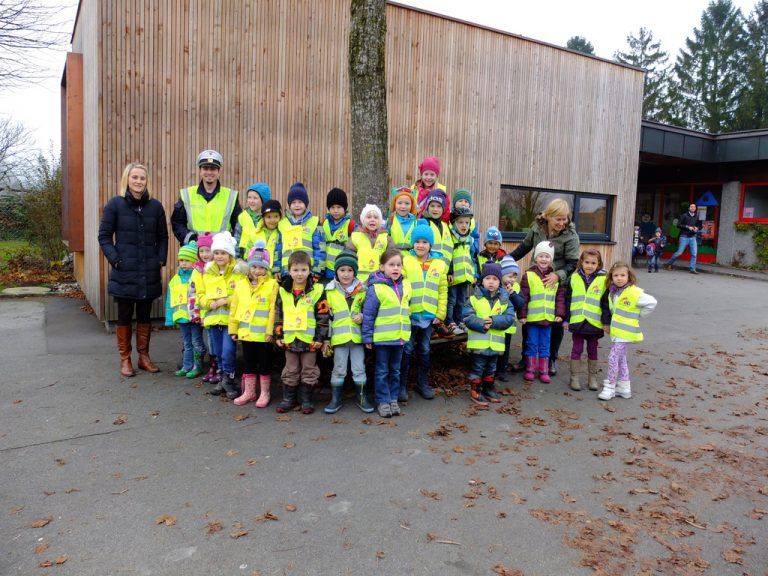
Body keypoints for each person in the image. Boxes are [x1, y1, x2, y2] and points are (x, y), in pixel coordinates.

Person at [98, 162, 168, 377]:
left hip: (148, 270)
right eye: (134, 177)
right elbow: (104, 236)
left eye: (142, 178)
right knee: (125, 315)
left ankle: (144, 357)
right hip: (125, 271)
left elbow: (162, 237)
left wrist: (160, 260)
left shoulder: (155, 207)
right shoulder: (115, 205)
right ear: (127, 179)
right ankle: (125, 359)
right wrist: (116, 260)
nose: (138, 182)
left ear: (147, 181)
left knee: (145, 315)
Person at [509, 199, 580, 376]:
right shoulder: (537, 228)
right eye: (558, 219)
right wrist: (505, 260)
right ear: (548, 216)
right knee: (530, 321)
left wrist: (557, 275)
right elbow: (523, 248)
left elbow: (573, 263)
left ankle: (551, 360)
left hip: (557, 285)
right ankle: (527, 359)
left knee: (554, 324)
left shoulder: (570, 236)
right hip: (535, 281)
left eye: (565, 219)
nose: (562, 223)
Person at [274, 251, 329, 414]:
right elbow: (278, 313)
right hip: (290, 338)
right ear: (289, 270)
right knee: (291, 369)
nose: (300, 274)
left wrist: (320, 337)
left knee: (309, 369)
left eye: (304, 270)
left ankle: (306, 400)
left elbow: (323, 314)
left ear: (310, 270)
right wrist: (278, 334)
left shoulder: (317, 289)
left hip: (309, 339)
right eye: (296, 270)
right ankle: (289, 399)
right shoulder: (283, 289)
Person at [400, 221, 448, 401]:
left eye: (424, 242)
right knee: (407, 349)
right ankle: (401, 386)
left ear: (430, 244)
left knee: (425, 350)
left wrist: (440, 314)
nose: (420, 245)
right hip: (410, 315)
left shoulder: (439, 264)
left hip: (429, 317)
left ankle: (422, 384)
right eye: (417, 241)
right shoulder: (405, 261)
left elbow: (443, 291)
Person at [362, 249, 412, 418]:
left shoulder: (406, 285)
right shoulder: (376, 288)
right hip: (383, 339)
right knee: (382, 370)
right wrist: (367, 337)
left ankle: (393, 399)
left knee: (395, 370)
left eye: (398, 265)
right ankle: (382, 401)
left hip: (400, 337)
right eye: (391, 265)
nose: (395, 268)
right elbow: (368, 314)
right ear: (382, 266)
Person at [197, 231, 247, 399]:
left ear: (230, 254)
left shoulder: (238, 272)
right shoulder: (208, 272)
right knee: (217, 352)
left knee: (228, 351)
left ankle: (230, 380)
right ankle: (222, 379)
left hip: (229, 320)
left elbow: (242, 294)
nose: (219, 256)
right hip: (213, 318)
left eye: (223, 253)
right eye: (216, 253)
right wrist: (208, 303)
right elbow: (200, 294)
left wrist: (225, 300)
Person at [228, 242, 278, 408]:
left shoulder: (272, 285)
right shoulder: (241, 285)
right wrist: (233, 329)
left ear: (267, 269)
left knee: (264, 363)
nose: (258, 271)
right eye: (254, 267)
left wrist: (271, 331)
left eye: (262, 268)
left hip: (264, 334)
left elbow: (273, 309)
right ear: (249, 267)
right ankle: (249, 392)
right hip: (246, 332)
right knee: (249, 362)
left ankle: (265, 392)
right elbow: (234, 308)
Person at [599, 262, 657, 401]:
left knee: (613, 357)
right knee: (621, 359)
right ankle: (624, 388)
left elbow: (652, 302)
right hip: (618, 332)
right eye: (616, 275)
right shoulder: (614, 292)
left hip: (626, 333)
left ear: (629, 276)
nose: (619, 278)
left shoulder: (633, 292)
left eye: (623, 275)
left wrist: (641, 315)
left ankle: (610, 387)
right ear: (611, 278)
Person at [323, 250, 372, 414]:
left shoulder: (363, 290)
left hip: (357, 338)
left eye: (350, 270)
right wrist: (327, 340)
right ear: (336, 271)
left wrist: (363, 316)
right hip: (339, 338)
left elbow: (370, 312)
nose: (346, 274)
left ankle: (362, 397)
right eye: (342, 270)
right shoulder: (329, 291)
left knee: (359, 369)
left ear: (355, 272)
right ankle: (336, 398)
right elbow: (326, 317)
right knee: (339, 369)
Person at [463, 262, 516, 406]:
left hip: (496, 345)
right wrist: (481, 323)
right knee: (478, 367)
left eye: (495, 279)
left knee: (491, 368)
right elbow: (467, 317)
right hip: (479, 344)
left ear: (499, 282)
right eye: (488, 278)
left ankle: (489, 388)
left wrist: (494, 321)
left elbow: (509, 318)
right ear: (482, 281)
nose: (491, 282)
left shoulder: (505, 300)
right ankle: (475, 389)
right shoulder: (474, 299)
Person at [518, 241, 566, 383]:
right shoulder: (528, 275)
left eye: (547, 256)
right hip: (532, 319)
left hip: (548, 319)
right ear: (535, 258)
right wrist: (522, 315)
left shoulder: (555, 277)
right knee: (531, 343)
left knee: (545, 344)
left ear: (551, 259)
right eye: (540, 256)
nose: (544, 259)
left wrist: (559, 314)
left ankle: (544, 370)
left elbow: (560, 297)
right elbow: (524, 297)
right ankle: (530, 369)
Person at [563, 249, 610, 391]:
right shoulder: (574, 277)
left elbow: (606, 303)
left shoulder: (604, 280)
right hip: (578, 322)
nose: (589, 265)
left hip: (594, 323)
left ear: (599, 264)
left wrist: (606, 322)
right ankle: (574, 378)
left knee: (592, 350)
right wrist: (566, 319)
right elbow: (568, 300)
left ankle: (592, 378)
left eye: (593, 263)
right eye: (587, 262)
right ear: (581, 263)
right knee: (576, 349)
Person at [171, 150, 242, 244]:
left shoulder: (231, 196)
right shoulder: (187, 194)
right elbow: (177, 223)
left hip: (221, 252)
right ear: (200, 171)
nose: (209, 172)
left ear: (219, 171)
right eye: (205, 168)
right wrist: (191, 239)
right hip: (194, 250)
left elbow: (240, 225)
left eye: (213, 169)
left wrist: (228, 241)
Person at [165, 242, 206, 378]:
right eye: (181, 260)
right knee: (186, 342)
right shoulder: (175, 280)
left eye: (187, 260)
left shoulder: (198, 277)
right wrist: (170, 318)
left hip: (194, 317)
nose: (183, 263)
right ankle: (186, 365)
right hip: (182, 317)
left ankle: (197, 366)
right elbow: (170, 301)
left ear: (194, 261)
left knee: (196, 341)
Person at [274, 182, 326, 280]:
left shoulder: (314, 222)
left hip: (307, 272)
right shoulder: (282, 224)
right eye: (293, 202)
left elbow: (320, 248)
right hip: (287, 272)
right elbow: (277, 249)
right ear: (289, 205)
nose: (297, 205)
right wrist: (277, 269)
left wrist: (318, 270)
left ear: (306, 204)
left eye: (300, 202)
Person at [446, 205, 476, 334]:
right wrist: (450, 272)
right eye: (460, 222)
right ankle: (449, 321)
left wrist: (474, 274)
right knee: (451, 300)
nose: (464, 225)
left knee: (461, 301)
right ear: (454, 223)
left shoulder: (470, 239)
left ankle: (459, 321)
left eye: (467, 222)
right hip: (454, 276)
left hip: (465, 276)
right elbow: (448, 256)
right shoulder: (451, 238)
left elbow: (472, 258)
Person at [346, 204, 393, 284]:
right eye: (368, 217)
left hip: (381, 280)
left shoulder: (386, 238)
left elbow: (392, 257)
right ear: (363, 220)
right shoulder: (355, 237)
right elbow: (348, 258)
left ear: (380, 221)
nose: (372, 220)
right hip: (358, 281)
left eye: (376, 217)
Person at [192, 233, 217, 383]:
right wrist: (197, 313)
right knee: (208, 340)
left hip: (215, 308)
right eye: (202, 251)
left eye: (208, 250)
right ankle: (211, 367)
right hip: (202, 310)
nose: (205, 254)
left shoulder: (215, 268)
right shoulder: (197, 269)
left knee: (214, 341)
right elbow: (194, 292)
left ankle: (216, 367)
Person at [496, 255, 524, 382]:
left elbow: (520, 304)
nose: (512, 279)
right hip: (496, 323)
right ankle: (492, 370)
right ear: (501, 275)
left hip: (509, 325)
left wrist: (512, 293)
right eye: (509, 276)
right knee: (495, 347)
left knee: (505, 349)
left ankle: (502, 371)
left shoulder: (516, 288)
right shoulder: (496, 286)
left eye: (514, 276)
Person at [322, 188, 356, 282]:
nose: (335, 210)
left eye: (339, 207)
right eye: (332, 207)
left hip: (342, 271)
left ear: (344, 208)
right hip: (325, 270)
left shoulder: (350, 225)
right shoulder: (324, 223)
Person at [244, 199, 282, 277]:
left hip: (275, 274)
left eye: (276, 216)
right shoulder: (255, 233)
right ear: (263, 218)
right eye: (268, 217)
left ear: (280, 217)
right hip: (257, 273)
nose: (272, 220)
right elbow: (248, 251)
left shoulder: (281, 233)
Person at [234, 183, 271, 257]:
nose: (251, 201)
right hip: (244, 258)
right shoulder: (242, 217)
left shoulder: (269, 218)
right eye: (249, 197)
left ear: (263, 200)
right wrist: (237, 258)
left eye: (255, 198)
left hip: (263, 259)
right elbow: (237, 239)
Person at [665, 203, 702, 274]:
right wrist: (688, 227)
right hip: (684, 236)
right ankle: (669, 263)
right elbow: (678, 225)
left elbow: (699, 226)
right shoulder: (684, 215)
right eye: (691, 207)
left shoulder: (696, 216)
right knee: (679, 253)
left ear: (695, 209)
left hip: (693, 237)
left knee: (694, 254)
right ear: (689, 208)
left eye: (694, 207)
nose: (693, 208)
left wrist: (697, 228)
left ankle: (692, 269)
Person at [419, 191, 454, 266]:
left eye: (439, 206)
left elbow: (450, 250)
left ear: (443, 209)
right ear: (427, 207)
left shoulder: (446, 226)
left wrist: (450, 271)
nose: (435, 209)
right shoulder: (424, 224)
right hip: (429, 270)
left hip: (444, 272)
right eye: (432, 206)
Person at [412, 156, 449, 222]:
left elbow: (446, 212)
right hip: (414, 223)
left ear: (436, 176)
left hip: (433, 224)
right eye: (426, 174)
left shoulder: (441, 191)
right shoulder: (413, 189)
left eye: (432, 175)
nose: (428, 177)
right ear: (421, 175)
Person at [388, 186, 417, 257]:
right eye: (399, 203)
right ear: (394, 204)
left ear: (412, 205)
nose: (403, 206)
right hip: (393, 257)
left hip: (411, 258)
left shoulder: (415, 222)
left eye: (407, 203)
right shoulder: (390, 220)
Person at [451, 188, 480, 258]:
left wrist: (474, 248)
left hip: (467, 253)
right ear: (454, 203)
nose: (463, 203)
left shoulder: (472, 221)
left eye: (466, 201)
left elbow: (475, 237)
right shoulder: (449, 218)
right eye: (460, 201)